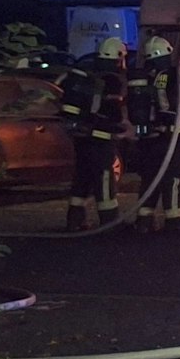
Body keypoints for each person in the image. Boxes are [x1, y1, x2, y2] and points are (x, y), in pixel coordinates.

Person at [129, 35, 180, 232]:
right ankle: (174, 221)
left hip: (147, 138)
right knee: (172, 178)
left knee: (150, 178)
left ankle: (144, 221)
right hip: (170, 137)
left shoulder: (144, 75)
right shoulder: (174, 74)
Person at [57, 38, 130, 230]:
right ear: (118, 57)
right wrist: (120, 126)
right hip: (101, 139)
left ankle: (74, 220)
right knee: (104, 179)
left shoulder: (89, 72)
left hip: (81, 137)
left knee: (82, 178)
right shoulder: (111, 78)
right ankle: (110, 222)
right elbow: (112, 112)